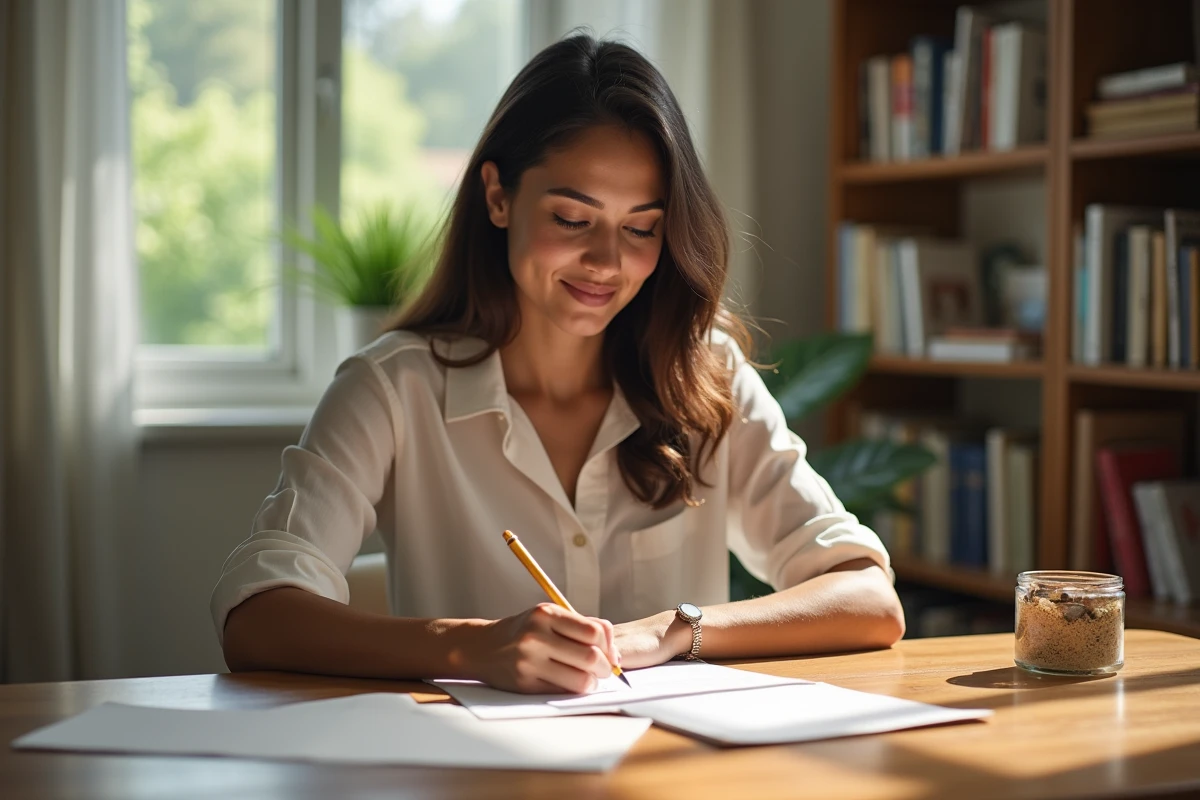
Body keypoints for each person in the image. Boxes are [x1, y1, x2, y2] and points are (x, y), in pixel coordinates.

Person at [213, 33, 903, 695]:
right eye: (573, 219)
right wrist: (470, 646)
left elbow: (868, 596)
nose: (607, 262)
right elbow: (258, 616)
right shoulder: (393, 388)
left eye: (641, 228)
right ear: (497, 196)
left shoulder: (706, 377)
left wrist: (671, 630)